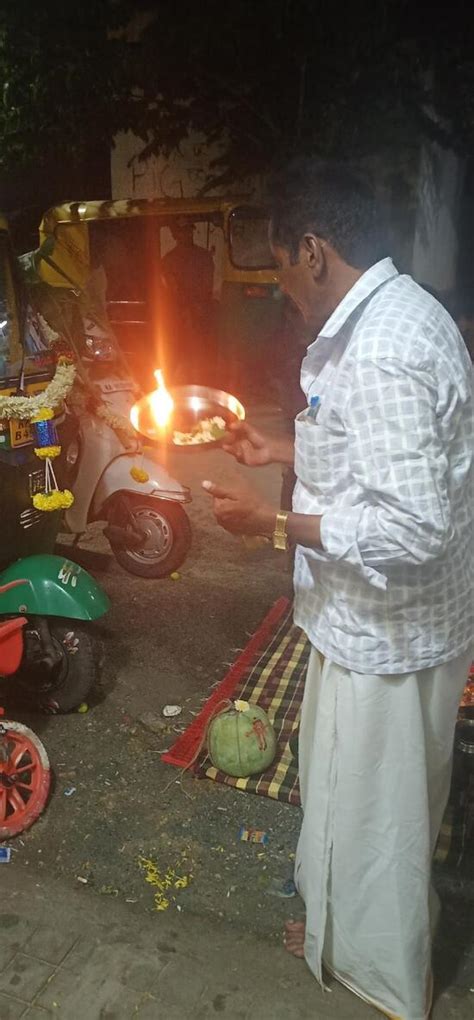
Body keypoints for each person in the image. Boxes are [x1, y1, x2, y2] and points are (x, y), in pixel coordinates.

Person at [202, 160, 473, 1020]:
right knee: (346, 796)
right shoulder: (385, 319)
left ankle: (392, 978)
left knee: (383, 820)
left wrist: (273, 527)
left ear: (314, 252)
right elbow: (365, 455)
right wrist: (277, 454)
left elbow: (411, 528)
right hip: (357, 622)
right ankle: (336, 932)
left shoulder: (386, 346)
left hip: (390, 634)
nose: (281, 288)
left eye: (281, 266)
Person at [159, 219, 217, 383]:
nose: (186, 234)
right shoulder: (168, 260)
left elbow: (207, 285)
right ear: (175, 235)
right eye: (182, 231)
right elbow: (166, 289)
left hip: (200, 316)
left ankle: (200, 383)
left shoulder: (203, 256)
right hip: (176, 318)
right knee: (174, 356)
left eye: (189, 231)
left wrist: (197, 307)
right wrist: (180, 309)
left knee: (200, 357)